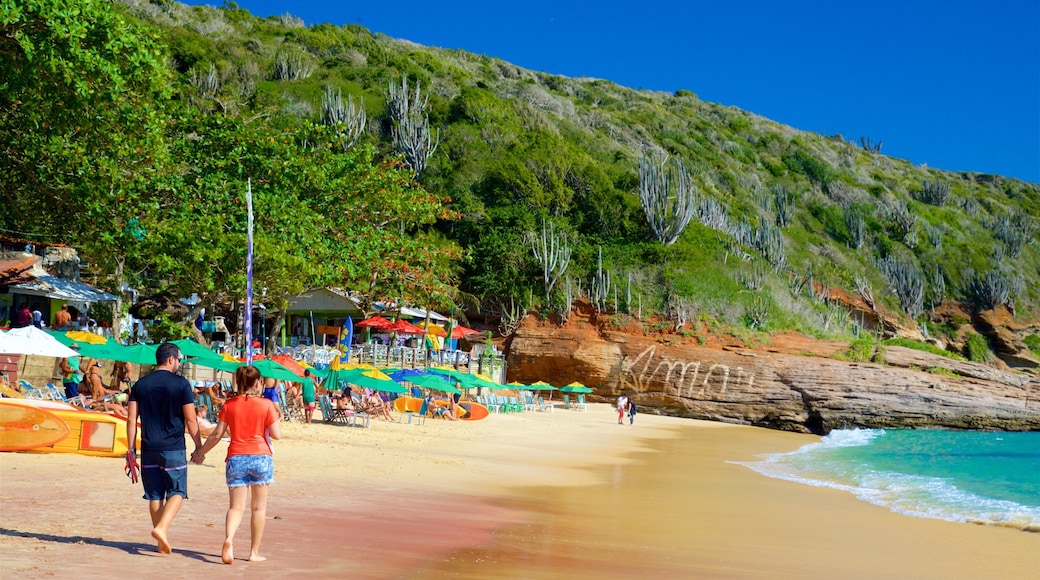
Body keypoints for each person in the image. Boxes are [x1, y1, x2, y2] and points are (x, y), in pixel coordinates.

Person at [192, 365, 280, 565]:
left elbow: (216, 435)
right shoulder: (266, 405)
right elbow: (277, 435)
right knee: (258, 508)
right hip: (260, 457)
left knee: (236, 507)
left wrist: (200, 453)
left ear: (239, 383)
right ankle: (254, 552)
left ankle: (229, 539)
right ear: (257, 383)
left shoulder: (230, 405)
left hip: (236, 457)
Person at [126, 343, 202, 555]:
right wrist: (199, 447)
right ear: (171, 359)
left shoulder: (141, 384)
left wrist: (130, 448)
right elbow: (191, 419)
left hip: (148, 447)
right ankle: (161, 529)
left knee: (155, 494)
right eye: (179, 359)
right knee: (177, 491)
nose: (180, 363)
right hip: (172, 447)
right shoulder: (181, 384)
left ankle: (161, 542)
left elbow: (131, 419)